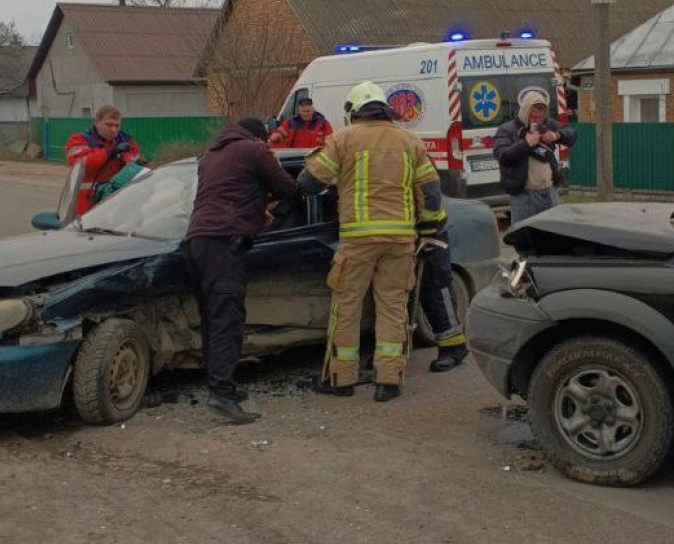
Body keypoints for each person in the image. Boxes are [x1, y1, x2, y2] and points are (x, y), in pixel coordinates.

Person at [299, 81, 442, 402]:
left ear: (352, 112)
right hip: (400, 240)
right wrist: (429, 230)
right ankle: (388, 382)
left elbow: (308, 183)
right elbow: (432, 194)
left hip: (358, 241)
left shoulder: (343, 138)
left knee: (346, 307)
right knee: (393, 308)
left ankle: (340, 379)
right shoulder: (410, 141)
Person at [184, 117, 300, 424]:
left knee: (213, 317)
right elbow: (288, 189)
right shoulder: (254, 150)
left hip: (197, 241)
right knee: (227, 318)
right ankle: (222, 396)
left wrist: (256, 204)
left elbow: (225, 192)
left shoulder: (211, 154)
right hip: (225, 241)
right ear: (259, 137)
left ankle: (223, 388)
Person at [493, 92, 576, 224]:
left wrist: (557, 136)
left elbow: (572, 134)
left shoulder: (547, 124)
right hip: (524, 196)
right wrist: (526, 144)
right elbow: (503, 157)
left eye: (541, 114)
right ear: (526, 110)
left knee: (555, 235)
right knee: (525, 238)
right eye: (534, 114)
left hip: (550, 193)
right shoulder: (507, 130)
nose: (537, 118)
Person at [414, 202, 469, 373]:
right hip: (397, 234)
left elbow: (430, 193)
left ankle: (453, 348)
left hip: (427, 230)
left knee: (436, 289)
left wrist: (428, 230)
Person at [65, 105, 141, 217]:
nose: (113, 130)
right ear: (96, 122)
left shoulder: (127, 141)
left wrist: (127, 158)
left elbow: (135, 166)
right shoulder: (79, 140)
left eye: (117, 125)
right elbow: (82, 164)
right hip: (87, 202)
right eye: (109, 125)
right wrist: (109, 152)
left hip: (119, 200)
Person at [269, 97, 334, 149]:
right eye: (303, 111)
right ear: (299, 111)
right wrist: (275, 136)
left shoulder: (323, 124)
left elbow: (331, 143)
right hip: (295, 160)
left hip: (315, 160)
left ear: (313, 110)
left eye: (308, 111)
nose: (306, 113)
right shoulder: (290, 123)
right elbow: (279, 133)